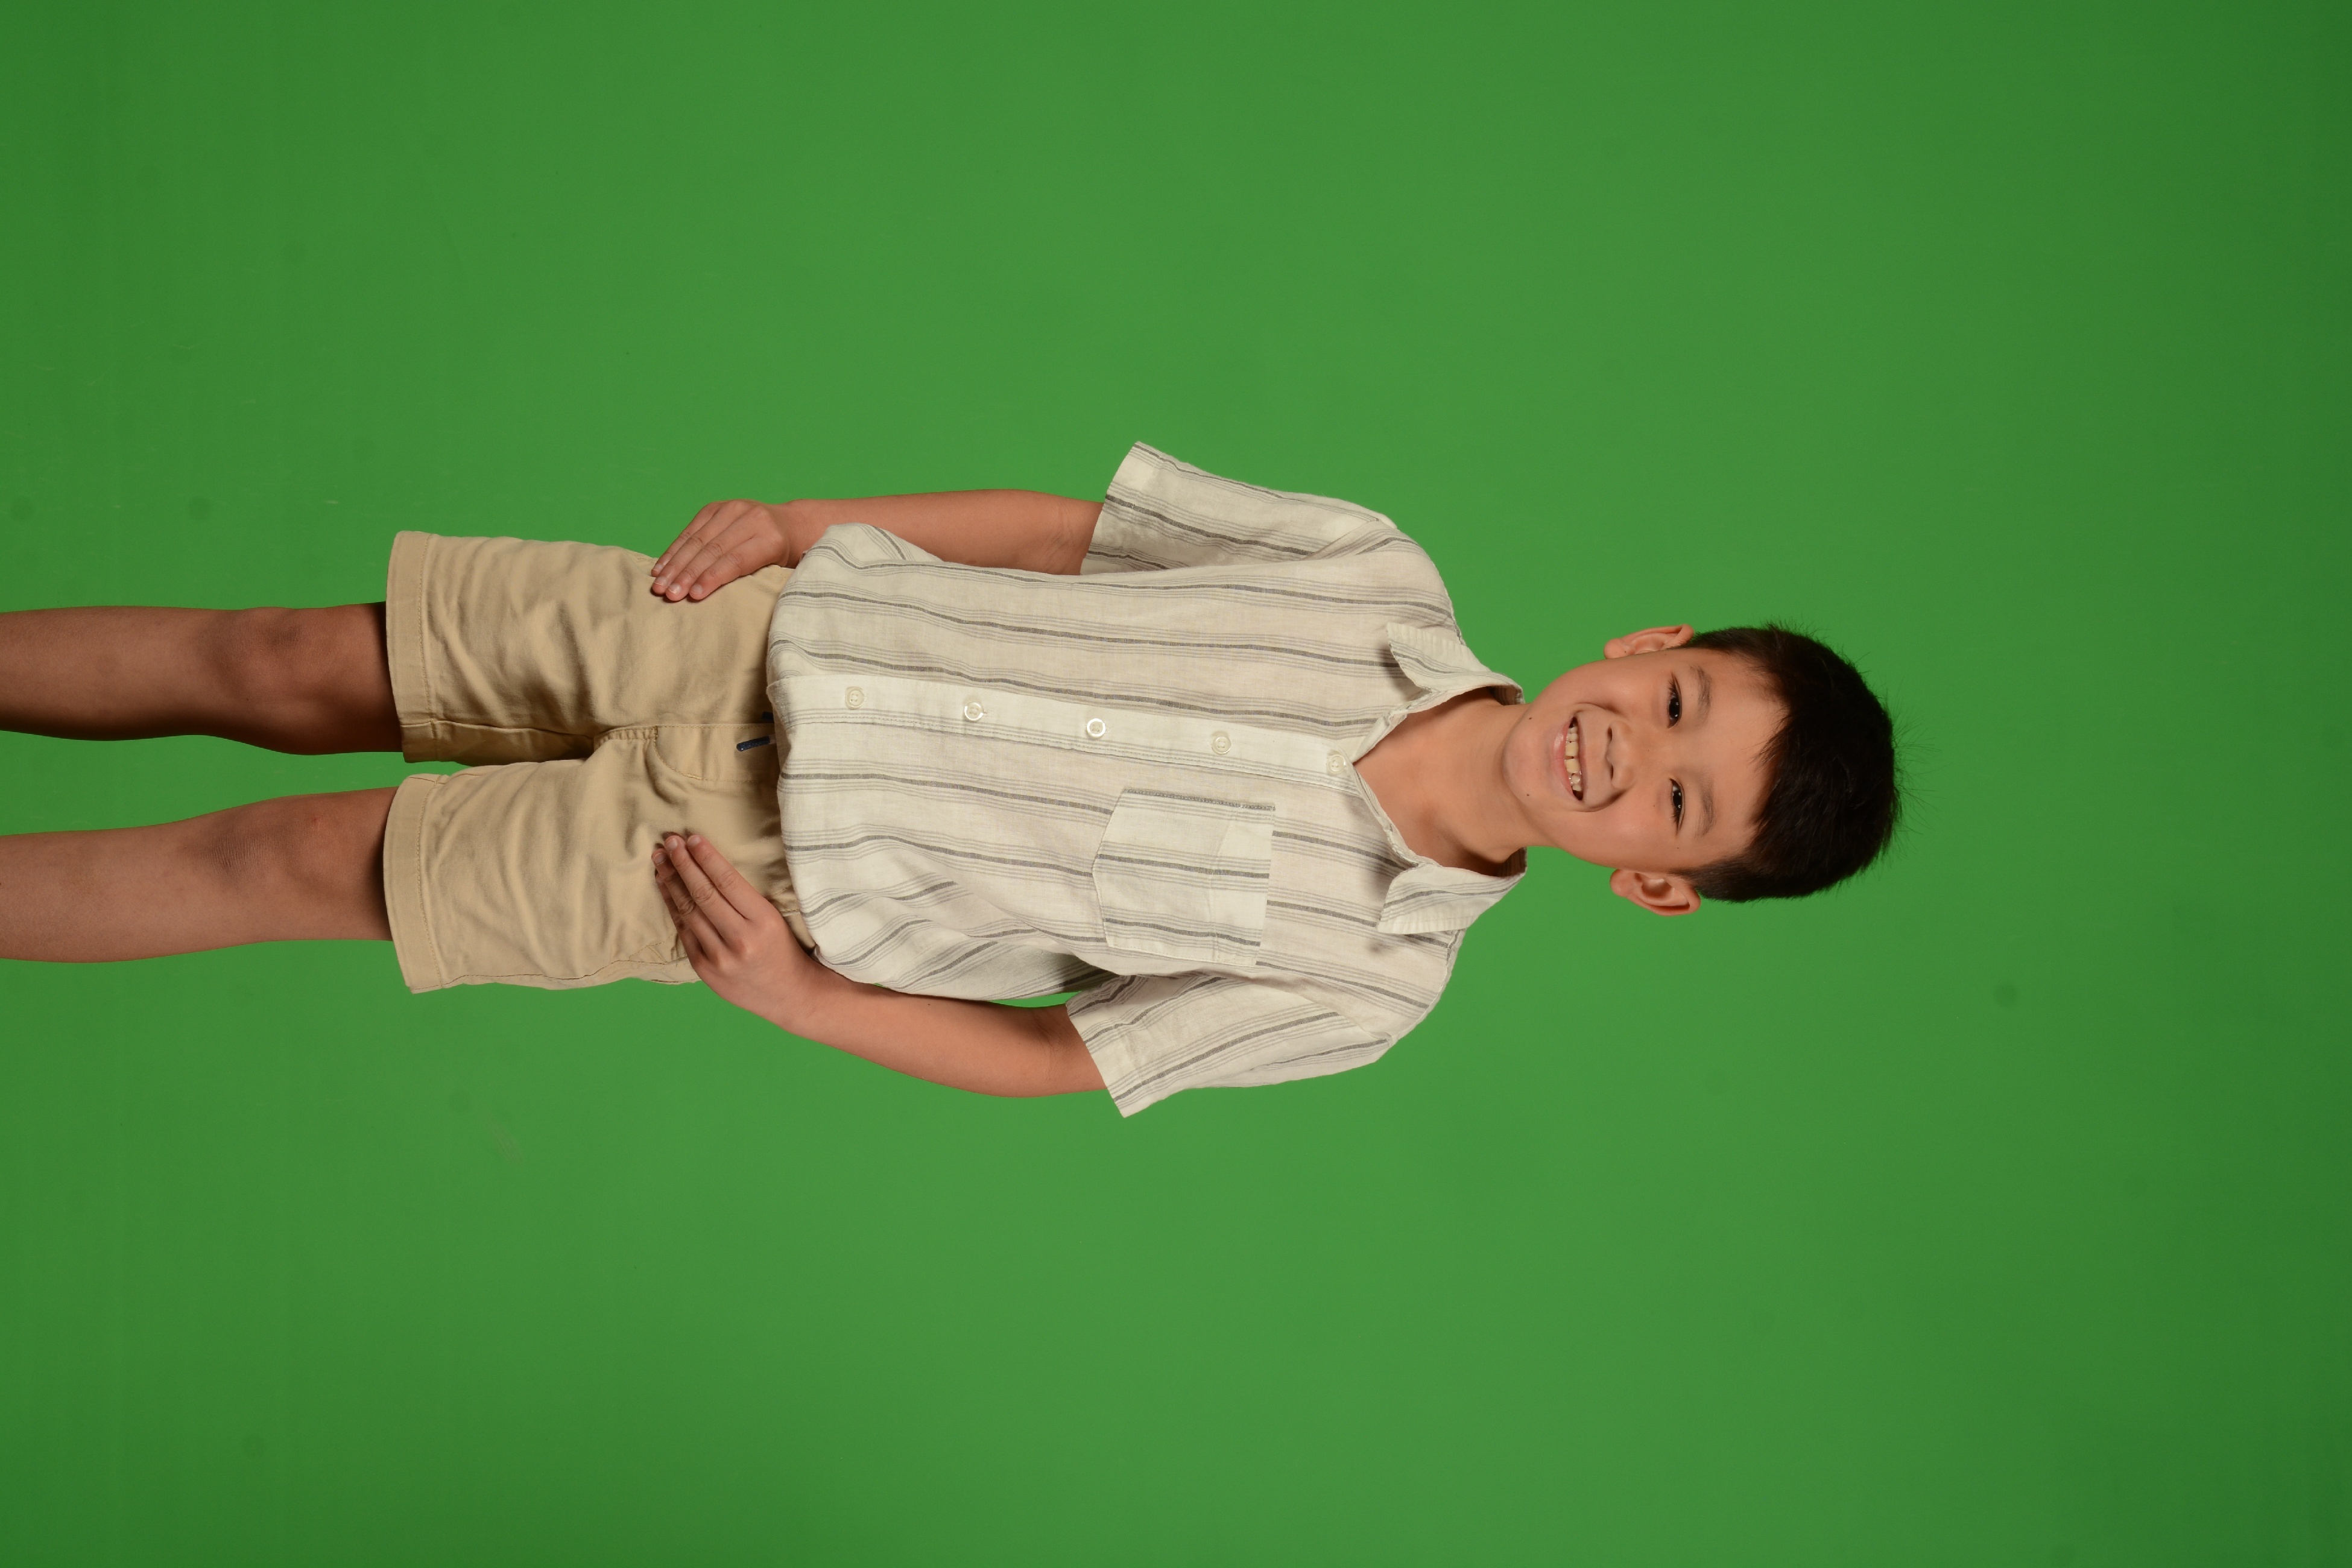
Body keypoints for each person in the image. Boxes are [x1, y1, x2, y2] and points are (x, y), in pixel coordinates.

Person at [0, 445, 1899, 1114]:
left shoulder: (1367, 984)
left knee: (274, 860)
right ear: (1650, 640)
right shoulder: (1368, 567)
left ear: (1658, 883)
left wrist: (799, 996)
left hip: (728, 870)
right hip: (737, 637)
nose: (1626, 751)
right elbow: (1077, 534)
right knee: (279, 657)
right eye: (1675, 703)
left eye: (1675, 803)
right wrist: (804, 523)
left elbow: (1065, 1057)